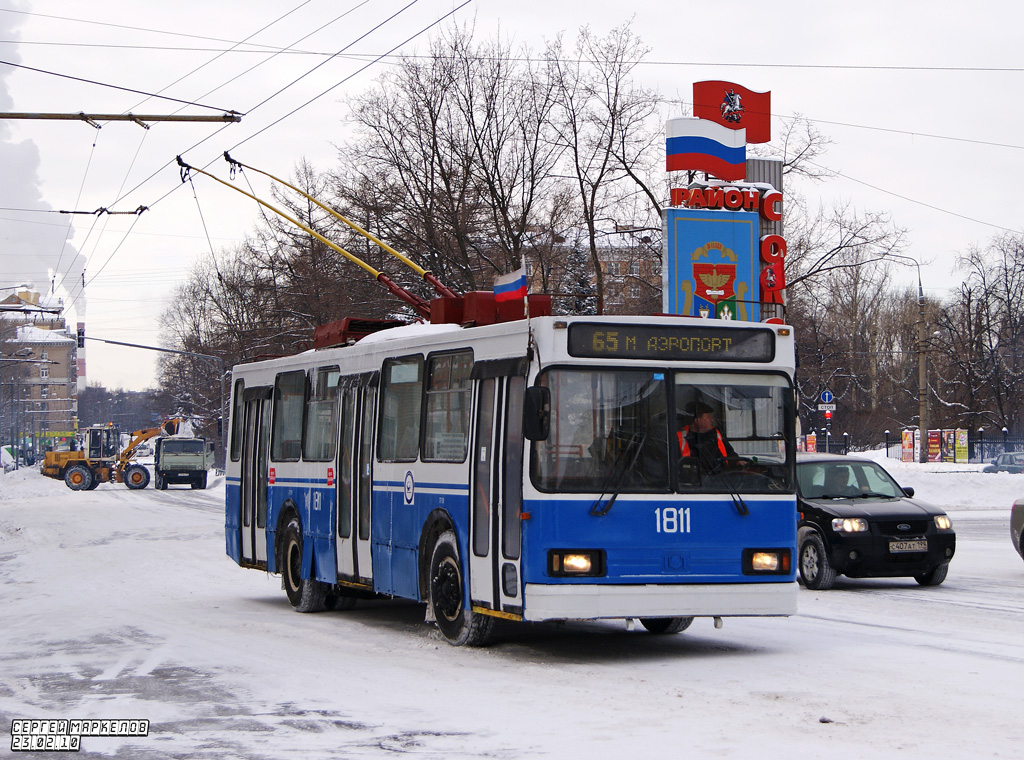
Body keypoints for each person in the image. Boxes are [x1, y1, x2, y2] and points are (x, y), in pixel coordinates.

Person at [678, 401, 738, 473]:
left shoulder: (717, 433)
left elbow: (729, 452)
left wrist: (737, 461)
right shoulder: (680, 437)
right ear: (697, 420)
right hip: (694, 477)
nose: (712, 419)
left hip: (721, 476)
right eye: (708, 417)